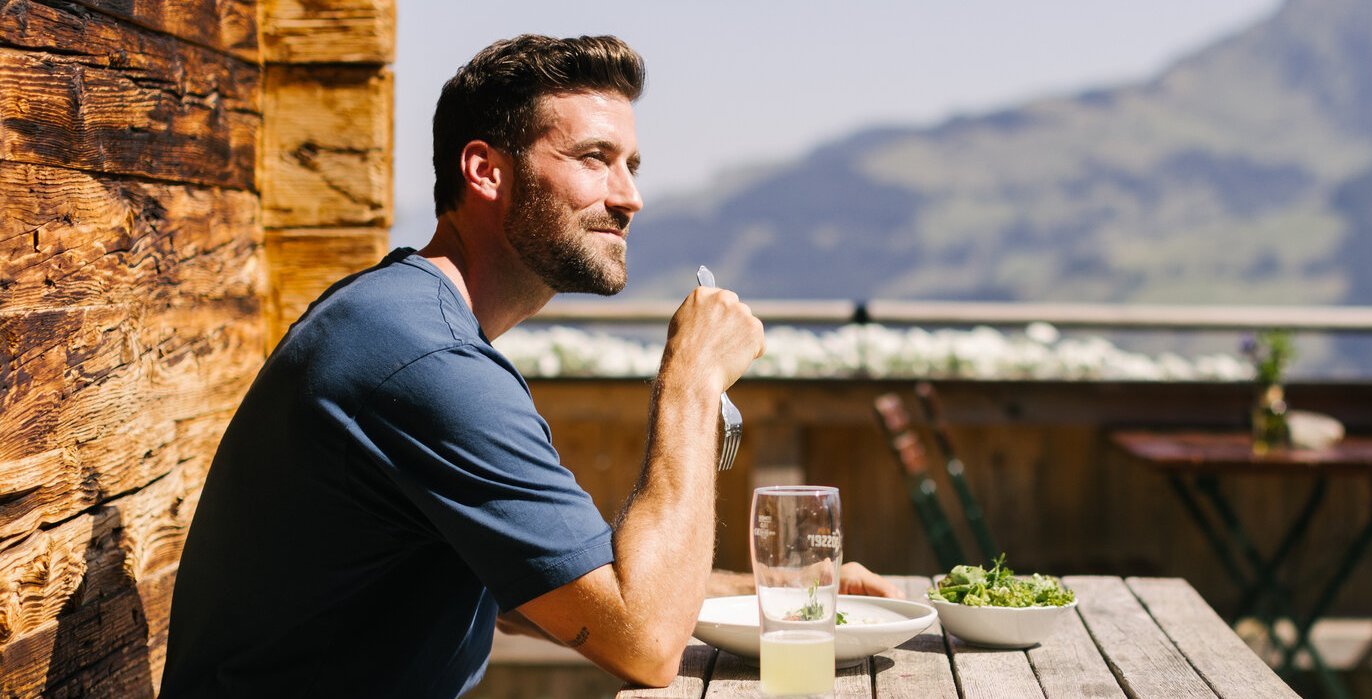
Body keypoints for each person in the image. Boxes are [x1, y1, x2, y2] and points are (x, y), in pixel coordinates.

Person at [159, 34, 898, 697]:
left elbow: (543, 589)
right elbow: (642, 643)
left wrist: (770, 596)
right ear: (484, 170)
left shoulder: (402, 320)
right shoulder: (426, 359)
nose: (631, 196)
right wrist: (692, 380)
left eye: (632, 165)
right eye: (594, 159)